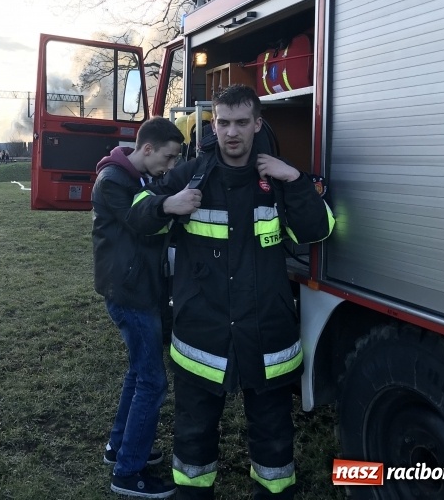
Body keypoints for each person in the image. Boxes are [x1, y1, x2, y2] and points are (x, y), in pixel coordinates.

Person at [128, 85, 335, 499]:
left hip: (266, 335)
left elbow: (319, 230)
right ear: (213, 125)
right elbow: (134, 216)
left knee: (274, 435)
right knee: (193, 435)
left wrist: (294, 180)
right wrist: (167, 206)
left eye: (242, 122)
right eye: (223, 123)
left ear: (257, 124)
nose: (232, 132)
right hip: (203, 338)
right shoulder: (190, 175)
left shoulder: (277, 179)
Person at [92, 116, 188, 499]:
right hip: (130, 294)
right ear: (146, 149)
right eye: (167, 158)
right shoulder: (113, 181)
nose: (170, 167)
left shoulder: (137, 176)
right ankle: (128, 472)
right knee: (153, 381)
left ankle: (120, 447)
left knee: (138, 373)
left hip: (136, 290)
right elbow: (139, 216)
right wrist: (171, 204)